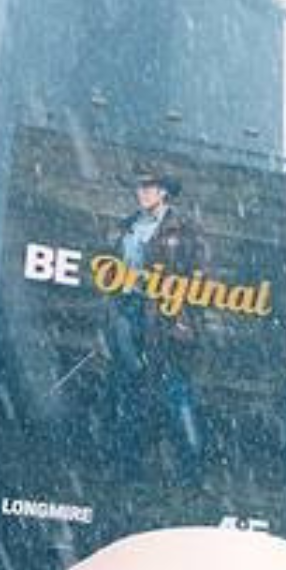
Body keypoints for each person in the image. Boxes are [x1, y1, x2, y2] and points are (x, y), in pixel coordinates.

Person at [105, 170, 208, 486]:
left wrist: (182, 318)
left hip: (166, 317)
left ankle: (192, 471)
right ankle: (130, 469)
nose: (142, 193)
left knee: (177, 393)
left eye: (149, 187)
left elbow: (202, 279)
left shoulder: (185, 230)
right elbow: (113, 275)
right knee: (130, 390)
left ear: (163, 192)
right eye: (140, 187)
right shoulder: (127, 228)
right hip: (128, 313)